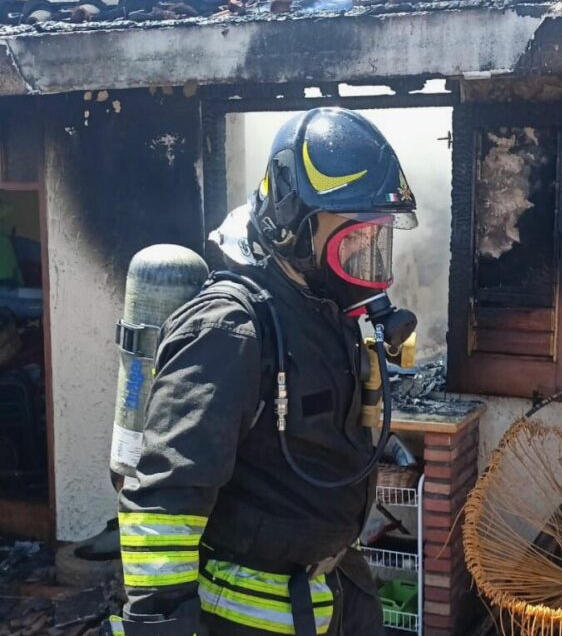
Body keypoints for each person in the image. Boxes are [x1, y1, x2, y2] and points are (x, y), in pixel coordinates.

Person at [110, 107, 418, 635]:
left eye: (377, 242)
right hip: (252, 614)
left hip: (333, 594)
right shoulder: (229, 329)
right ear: (293, 229)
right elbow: (164, 497)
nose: (367, 264)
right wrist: (158, 623)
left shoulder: (322, 307)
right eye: (354, 243)